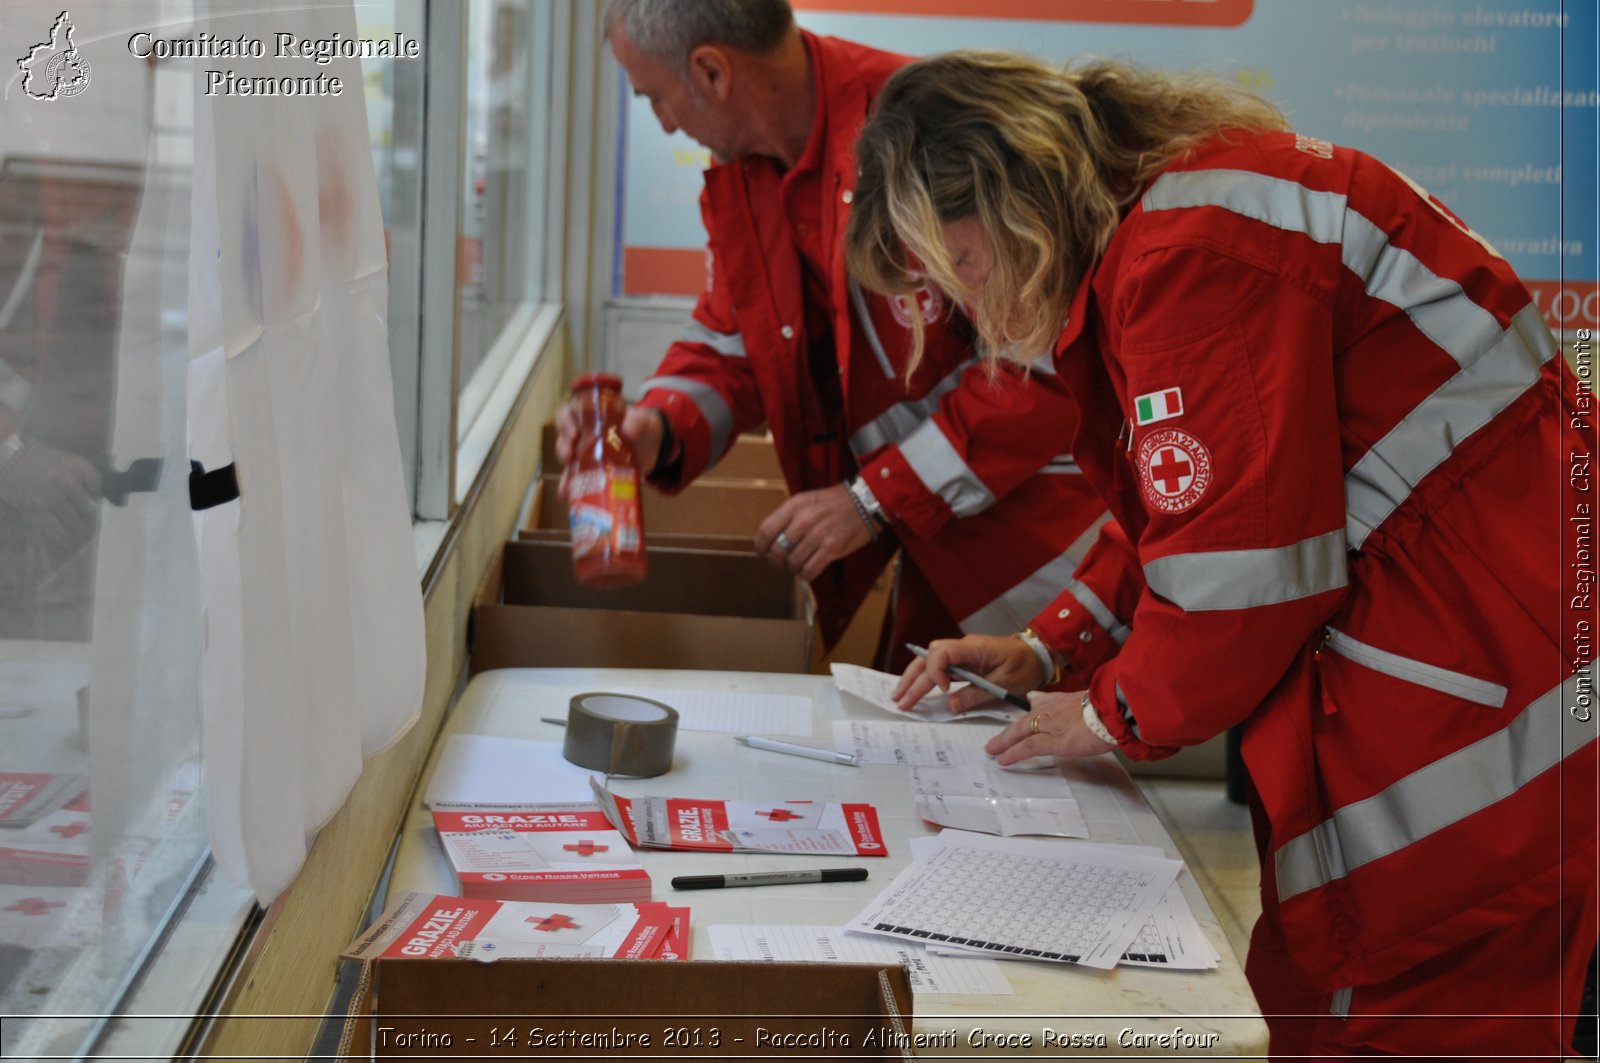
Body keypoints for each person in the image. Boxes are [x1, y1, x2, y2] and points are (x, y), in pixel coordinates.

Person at [847, 50, 1596, 1059]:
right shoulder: (1177, 216)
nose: (968, 306)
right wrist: (1047, 645)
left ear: (1012, 192)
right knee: (1310, 993)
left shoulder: (1187, 253)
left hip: (1488, 721)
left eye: (963, 266)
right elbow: (1193, 505)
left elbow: (1238, 569)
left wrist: (1110, 714)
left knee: (1386, 1013)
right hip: (1485, 667)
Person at [556, 1, 1110, 670]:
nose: (666, 123)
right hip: (926, 544)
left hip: (1043, 554)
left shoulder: (929, 132)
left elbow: (1048, 359)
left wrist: (874, 498)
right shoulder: (746, 168)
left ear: (710, 71)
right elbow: (734, 338)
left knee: (1040, 759)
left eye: (654, 98)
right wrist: (658, 425)